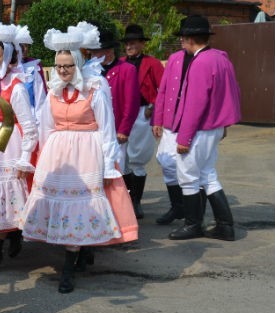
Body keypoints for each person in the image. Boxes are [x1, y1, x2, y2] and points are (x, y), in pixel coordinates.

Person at [19, 23, 137, 294]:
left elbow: (106, 127)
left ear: (78, 64)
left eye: (68, 66)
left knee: (81, 205)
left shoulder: (96, 86)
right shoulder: (54, 90)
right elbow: (46, 127)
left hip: (87, 149)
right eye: (59, 66)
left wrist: (108, 164)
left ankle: (69, 268)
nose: (63, 71)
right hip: (60, 152)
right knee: (61, 204)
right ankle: (79, 253)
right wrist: (47, 158)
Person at [153, 15, 241, 241]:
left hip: (200, 129)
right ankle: (225, 225)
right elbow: (232, 95)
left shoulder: (199, 63)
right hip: (213, 127)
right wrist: (224, 125)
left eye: (182, 38)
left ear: (190, 39)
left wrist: (184, 137)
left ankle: (193, 225)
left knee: (189, 176)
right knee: (207, 174)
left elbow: (195, 104)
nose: (181, 42)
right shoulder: (221, 58)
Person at [0, 22, 38, 274]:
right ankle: (7, 236)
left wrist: (25, 157)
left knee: (5, 195)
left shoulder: (15, 87)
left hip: (9, 143)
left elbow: (29, 124)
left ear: (6, 57)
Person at [85, 26, 142, 218]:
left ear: (108, 51)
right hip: (93, 132)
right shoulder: (88, 71)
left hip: (116, 131)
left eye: (96, 51)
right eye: (91, 51)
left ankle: (123, 210)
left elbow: (131, 103)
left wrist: (124, 130)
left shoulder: (126, 70)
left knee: (116, 170)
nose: (92, 55)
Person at [119, 24, 165, 221]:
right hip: (123, 113)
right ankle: (127, 199)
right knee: (123, 159)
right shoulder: (120, 63)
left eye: (133, 43)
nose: (129, 46)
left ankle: (137, 202)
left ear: (142, 44)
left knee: (137, 159)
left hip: (142, 113)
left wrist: (153, 108)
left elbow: (163, 90)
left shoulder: (152, 64)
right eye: (127, 43)